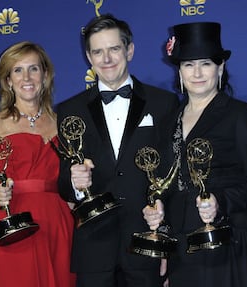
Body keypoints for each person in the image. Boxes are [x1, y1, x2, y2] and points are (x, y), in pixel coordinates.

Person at [143, 22, 247, 287]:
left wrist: (221, 202)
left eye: (205, 63)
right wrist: (157, 206)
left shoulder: (240, 114)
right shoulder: (169, 119)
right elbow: (165, 180)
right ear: (179, 71)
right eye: (188, 64)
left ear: (220, 67)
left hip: (227, 240)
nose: (196, 73)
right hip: (182, 247)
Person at [56, 14, 180, 287]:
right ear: (89, 57)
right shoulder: (68, 111)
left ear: (130, 50)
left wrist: (166, 227)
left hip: (147, 241)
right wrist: (76, 184)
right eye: (98, 52)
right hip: (94, 246)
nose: (107, 59)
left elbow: (174, 170)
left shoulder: (164, 103)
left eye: (114, 49)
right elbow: (63, 183)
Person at [0, 41, 76, 287]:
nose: (26, 77)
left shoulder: (64, 124)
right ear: (7, 81)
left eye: (33, 69)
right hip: (15, 225)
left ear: (45, 75)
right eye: (17, 70)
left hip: (59, 223)